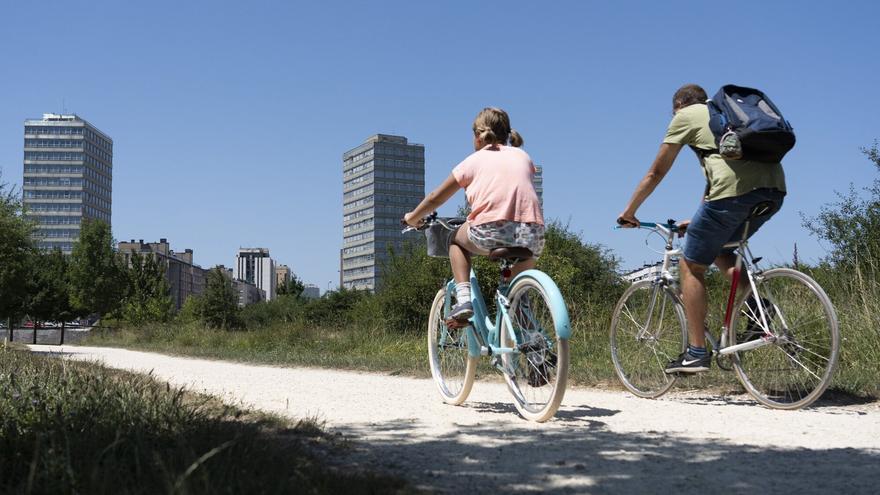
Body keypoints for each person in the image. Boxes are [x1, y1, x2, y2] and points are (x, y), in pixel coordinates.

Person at [617, 84, 786, 373]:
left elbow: (656, 171)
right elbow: (716, 175)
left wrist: (629, 211)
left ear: (679, 105)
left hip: (732, 194)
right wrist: (698, 219)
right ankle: (759, 310)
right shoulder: (724, 115)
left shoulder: (685, 115)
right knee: (722, 251)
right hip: (773, 192)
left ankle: (696, 352)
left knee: (690, 266)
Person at [403, 107, 545, 321]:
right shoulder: (523, 156)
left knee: (454, 241)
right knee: (516, 294)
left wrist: (412, 218)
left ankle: (463, 299)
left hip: (489, 231)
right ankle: (532, 339)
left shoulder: (473, 161)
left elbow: (435, 198)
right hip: (533, 235)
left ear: (478, 136)